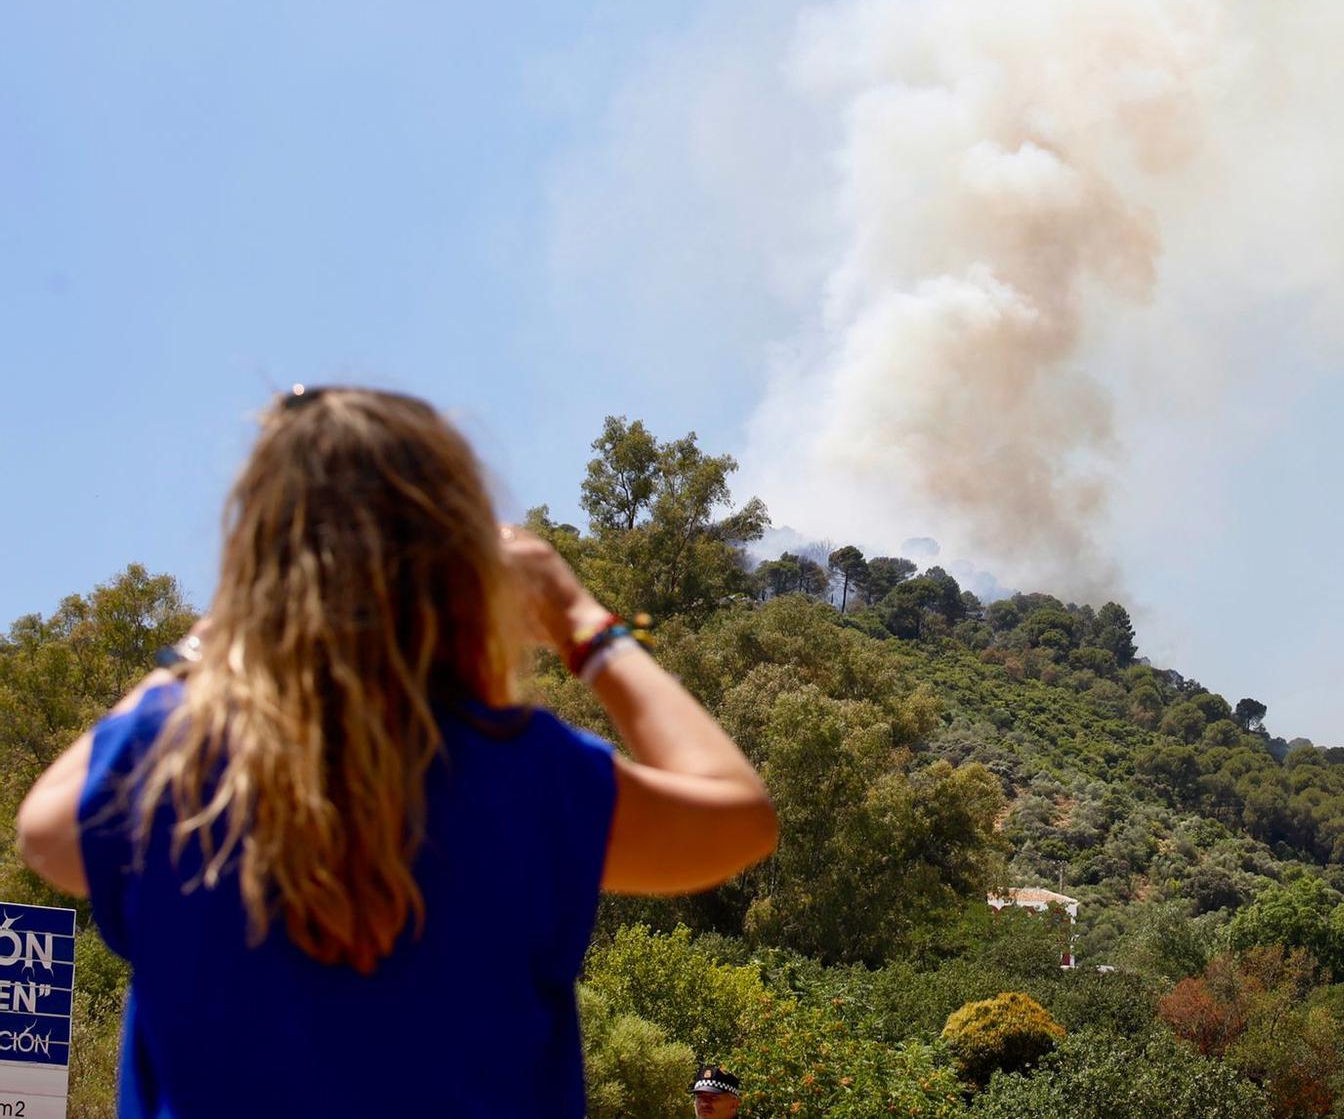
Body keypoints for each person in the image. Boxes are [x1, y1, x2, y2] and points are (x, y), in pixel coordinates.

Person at [13, 387, 779, 1116]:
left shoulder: (171, 755)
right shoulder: (525, 770)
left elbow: (45, 837)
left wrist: (203, 643)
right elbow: (739, 820)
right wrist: (579, 620)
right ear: (459, 567)